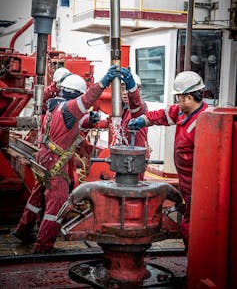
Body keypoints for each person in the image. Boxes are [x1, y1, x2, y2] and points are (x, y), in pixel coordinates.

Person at [13, 65, 120, 253]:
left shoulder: (54, 106)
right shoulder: (71, 107)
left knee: (37, 196)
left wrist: (90, 120)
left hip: (44, 158)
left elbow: (70, 123)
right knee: (57, 202)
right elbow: (86, 100)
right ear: (76, 94)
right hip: (55, 162)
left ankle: (23, 230)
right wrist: (103, 82)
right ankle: (44, 245)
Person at [128, 71, 208, 251]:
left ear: (188, 96)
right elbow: (162, 115)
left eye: (179, 97)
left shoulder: (204, 123)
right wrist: (143, 120)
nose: (177, 101)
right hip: (187, 184)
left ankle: (195, 268)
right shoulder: (182, 112)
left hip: (199, 187)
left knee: (192, 228)